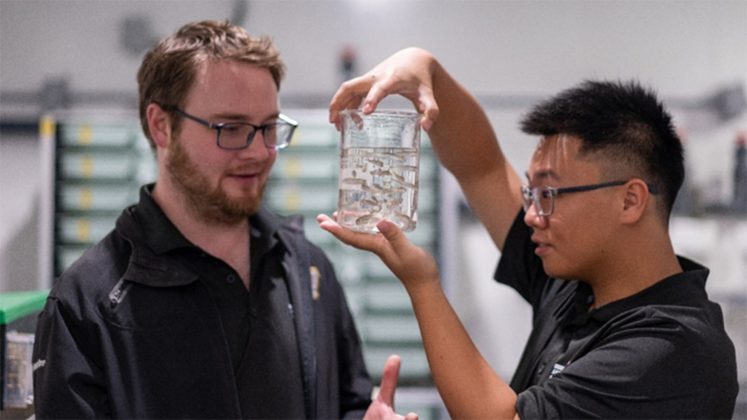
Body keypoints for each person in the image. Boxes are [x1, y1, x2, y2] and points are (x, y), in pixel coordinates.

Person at [318, 47, 738, 419]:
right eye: (531, 194)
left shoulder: (673, 349)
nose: (533, 215)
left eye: (549, 194)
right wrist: (428, 72)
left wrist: (422, 283)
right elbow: (481, 167)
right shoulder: (574, 288)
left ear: (630, 200)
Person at [32, 20, 373, 418]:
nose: (259, 153)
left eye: (268, 127)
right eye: (231, 128)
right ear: (161, 126)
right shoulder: (86, 303)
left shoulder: (306, 268)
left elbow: (349, 402)